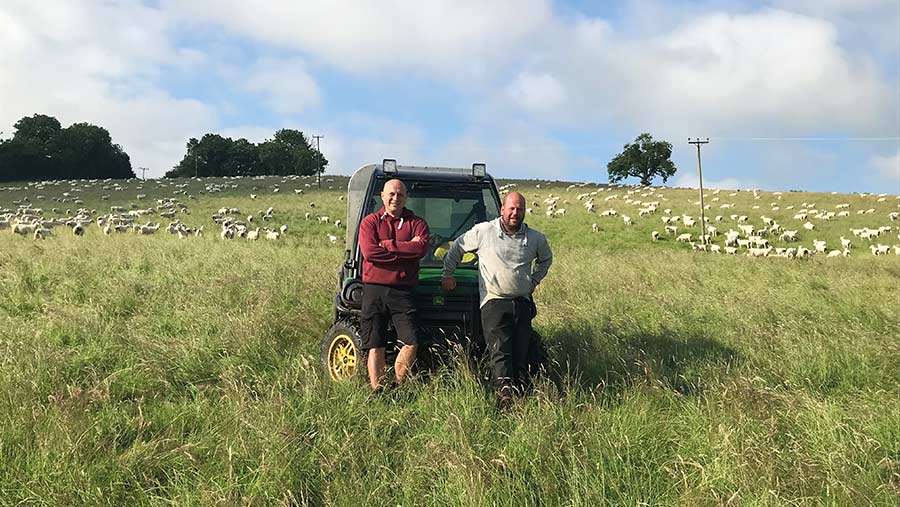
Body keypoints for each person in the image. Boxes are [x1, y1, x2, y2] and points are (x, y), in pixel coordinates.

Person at [441, 191, 552, 410]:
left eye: (519, 209)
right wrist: (447, 274)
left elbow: (546, 259)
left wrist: (534, 281)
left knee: (521, 348)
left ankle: (522, 391)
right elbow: (457, 247)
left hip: (522, 300)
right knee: (500, 349)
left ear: (524, 211)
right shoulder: (484, 231)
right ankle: (504, 395)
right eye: (511, 208)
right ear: (502, 209)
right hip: (494, 301)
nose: (515, 213)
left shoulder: (535, 238)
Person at [357, 178, 430, 394]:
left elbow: (421, 249)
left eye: (400, 194)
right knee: (375, 343)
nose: (395, 198)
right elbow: (370, 253)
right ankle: (377, 390)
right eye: (391, 194)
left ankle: (397, 387)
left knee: (411, 341)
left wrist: (389, 246)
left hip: (402, 290)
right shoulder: (370, 222)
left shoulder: (417, 223)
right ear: (382, 196)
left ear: (406, 198)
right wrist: (406, 252)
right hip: (374, 289)